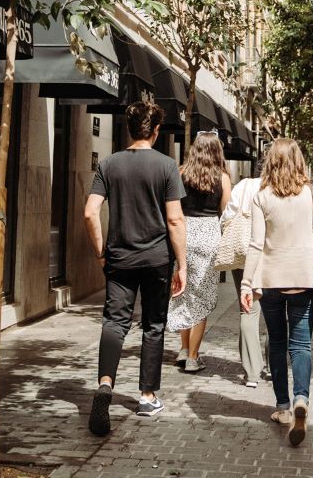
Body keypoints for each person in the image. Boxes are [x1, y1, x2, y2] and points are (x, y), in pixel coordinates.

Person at [83, 101, 187, 433]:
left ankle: (105, 385)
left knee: (115, 322)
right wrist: (182, 264)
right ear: (156, 131)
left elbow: (89, 212)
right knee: (153, 325)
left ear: (129, 129)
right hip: (157, 259)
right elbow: (174, 219)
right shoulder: (167, 165)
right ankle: (146, 396)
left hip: (120, 258)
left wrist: (101, 251)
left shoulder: (110, 165)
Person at [241, 138, 313, 447]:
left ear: (271, 162)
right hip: (303, 279)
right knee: (301, 345)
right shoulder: (310, 195)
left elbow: (256, 244)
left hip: (270, 280)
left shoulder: (262, 197)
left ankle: (283, 408)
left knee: (277, 343)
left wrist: (246, 283)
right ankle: (301, 400)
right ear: (299, 162)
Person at [167, 130, 231, 373]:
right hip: (209, 236)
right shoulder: (222, 177)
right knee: (202, 298)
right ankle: (193, 356)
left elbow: (173, 208)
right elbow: (227, 213)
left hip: (184, 235)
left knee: (183, 292)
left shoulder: (181, 173)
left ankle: (183, 349)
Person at [220, 160, 268, 387]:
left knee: (247, 308)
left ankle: (251, 372)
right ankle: (267, 364)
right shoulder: (276, 187)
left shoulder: (242, 186)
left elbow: (227, 216)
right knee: (272, 311)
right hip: (269, 255)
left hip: (242, 254)